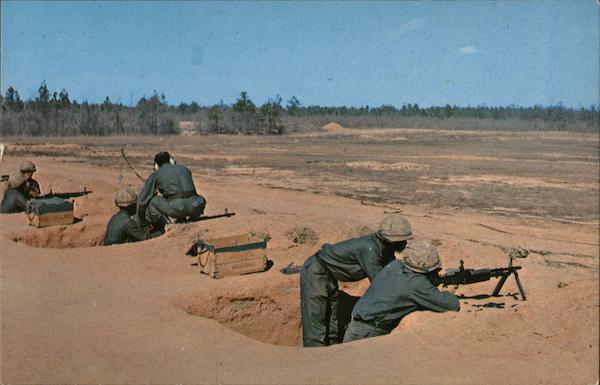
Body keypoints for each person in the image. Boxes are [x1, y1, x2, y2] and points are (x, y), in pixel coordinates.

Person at [300, 215, 413, 347]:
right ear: (393, 241)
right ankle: (312, 363)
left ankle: (330, 361)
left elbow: (393, 274)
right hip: (316, 271)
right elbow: (381, 284)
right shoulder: (369, 248)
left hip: (330, 276)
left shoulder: (385, 250)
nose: (405, 243)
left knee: (332, 324)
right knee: (316, 325)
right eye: (403, 240)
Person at [343, 240, 460, 343]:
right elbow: (451, 304)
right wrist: (449, 290)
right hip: (368, 334)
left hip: (354, 327)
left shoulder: (395, 265)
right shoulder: (417, 284)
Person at [137, 152, 206, 227]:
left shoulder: (156, 174)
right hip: (196, 206)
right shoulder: (185, 169)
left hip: (176, 209)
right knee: (198, 198)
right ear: (171, 161)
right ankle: (192, 219)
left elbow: (142, 202)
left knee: (153, 201)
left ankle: (167, 226)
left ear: (156, 165)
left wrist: (142, 221)